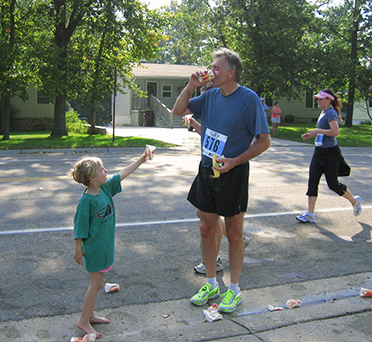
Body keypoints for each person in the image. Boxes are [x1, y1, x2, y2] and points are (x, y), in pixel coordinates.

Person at [173, 48, 270, 313]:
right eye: (211, 67)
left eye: (216, 68)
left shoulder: (249, 99)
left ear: (231, 72)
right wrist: (191, 85)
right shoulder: (210, 95)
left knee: (235, 232)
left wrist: (235, 161)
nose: (210, 71)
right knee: (206, 227)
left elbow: (264, 141)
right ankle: (211, 282)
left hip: (233, 172)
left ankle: (234, 289)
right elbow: (178, 109)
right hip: (207, 169)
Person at [70, 153, 147, 338]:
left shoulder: (104, 189)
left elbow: (122, 174)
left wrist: (141, 160)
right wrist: (78, 249)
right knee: (95, 285)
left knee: (97, 284)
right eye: (102, 169)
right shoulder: (87, 201)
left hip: (104, 247)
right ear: (92, 177)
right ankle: (83, 320)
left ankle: (91, 315)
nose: (106, 171)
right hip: (95, 249)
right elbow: (79, 225)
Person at [187, 83, 251, 275]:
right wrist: (197, 125)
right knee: (204, 214)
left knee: (216, 220)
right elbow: (210, 138)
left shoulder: (228, 109)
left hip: (227, 171)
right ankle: (217, 258)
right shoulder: (210, 111)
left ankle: (215, 260)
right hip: (208, 169)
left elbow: (228, 139)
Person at [296, 89, 362, 223]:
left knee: (333, 184)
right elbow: (324, 132)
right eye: (318, 98)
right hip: (319, 152)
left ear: (328, 100)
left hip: (330, 154)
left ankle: (354, 201)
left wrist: (318, 131)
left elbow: (335, 131)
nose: (318, 101)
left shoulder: (331, 112)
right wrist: (311, 135)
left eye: (320, 99)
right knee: (312, 182)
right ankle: (310, 214)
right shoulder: (324, 112)